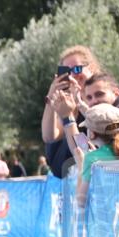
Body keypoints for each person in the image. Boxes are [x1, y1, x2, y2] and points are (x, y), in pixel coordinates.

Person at [42, 45, 101, 178]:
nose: (73, 75)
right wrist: (51, 96)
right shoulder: (68, 103)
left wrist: (71, 116)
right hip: (72, 178)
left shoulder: (101, 98)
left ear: (91, 68)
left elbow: (83, 149)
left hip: (94, 177)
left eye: (78, 68)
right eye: (68, 71)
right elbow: (48, 136)